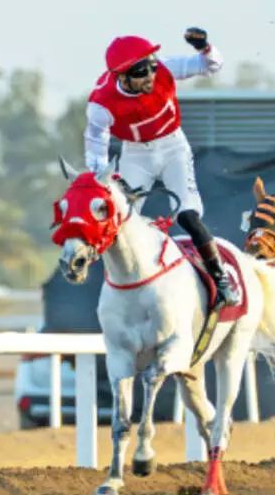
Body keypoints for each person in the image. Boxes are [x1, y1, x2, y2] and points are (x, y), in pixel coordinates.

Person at [82, 28, 239, 307]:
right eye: (142, 70)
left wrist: (204, 48)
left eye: (152, 65)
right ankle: (112, 288)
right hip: (135, 155)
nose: (151, 74)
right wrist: (104, 182)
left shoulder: (163, 68)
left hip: (173, 148)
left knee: (188, 217)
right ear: (122, 76)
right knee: (118, 222)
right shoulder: (100, 104)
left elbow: (211, 66)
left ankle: (220, 279)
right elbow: (96, 152)